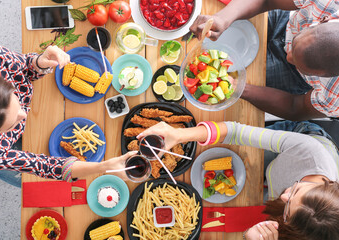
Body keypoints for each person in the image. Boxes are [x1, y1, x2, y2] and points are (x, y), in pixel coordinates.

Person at [138, 121, 339, 240]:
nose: (284, 193)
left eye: (287, 211)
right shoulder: (309, 151)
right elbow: (237, 132)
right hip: (299, 138)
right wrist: (179, 135)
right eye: (296, 189)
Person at [0, 44, 135, 187]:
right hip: (3, 151)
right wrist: (104, 167)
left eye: (16, 101)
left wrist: (39, 63)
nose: (24, 114)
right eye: (11, 124)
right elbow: (44, 166)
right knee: (31, 184)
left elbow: (24, 67)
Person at [189, 0, 339, 120]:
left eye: (299, 64)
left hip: (293, 77)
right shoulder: (328, 2)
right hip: (286, 22)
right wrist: (222, 18)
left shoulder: (335, 98)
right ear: (324, 20)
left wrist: (239, 88)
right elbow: (266, 1)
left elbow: (295, 107)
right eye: (294, 47)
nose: (289, 56)